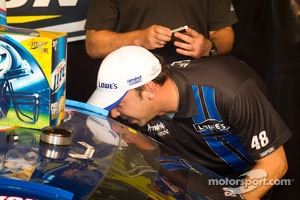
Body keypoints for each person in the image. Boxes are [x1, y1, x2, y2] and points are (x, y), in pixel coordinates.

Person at [86, 46, 292, 200]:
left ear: (149, 89)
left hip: (245, 179)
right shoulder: (139, 110)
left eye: (119, 102)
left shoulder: (229, 91)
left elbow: (274, 164)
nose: (114, 112)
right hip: (191, 176)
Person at [84, 0, 237, 64]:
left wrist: (208, 47)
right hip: (135, 85)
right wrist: (138, 39)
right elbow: (93, 45)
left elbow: (225, 33)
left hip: (196, 83)